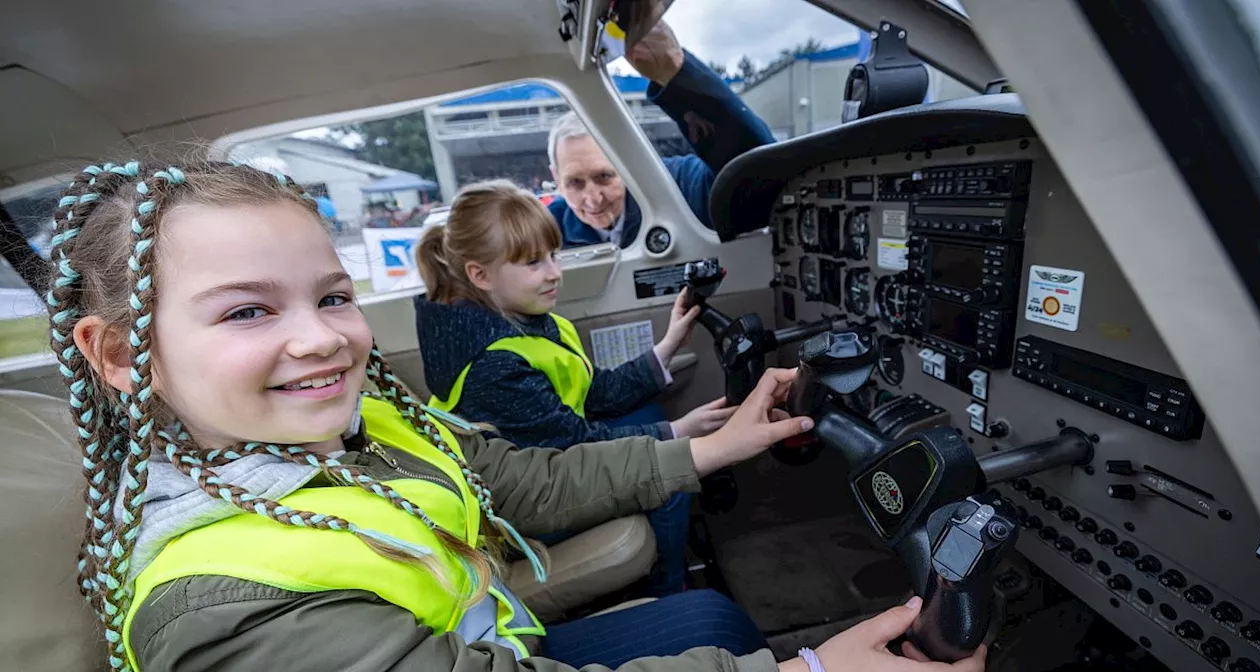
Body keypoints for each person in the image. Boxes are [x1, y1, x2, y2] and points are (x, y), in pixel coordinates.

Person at [47, 158, 985, 672]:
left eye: (333, 298)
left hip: (494, 642)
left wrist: (709, 448)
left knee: (709, 618)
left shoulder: (354, 427)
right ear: (127, 356)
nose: (323, 340)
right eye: (249, 310)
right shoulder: (228, 613)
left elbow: (520, 478)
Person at [414, 179, 733, 595]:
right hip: (519, 513)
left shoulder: (523, 319)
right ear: (480, 275)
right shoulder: (491, 366)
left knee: (652, 419)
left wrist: (666, 348)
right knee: (668, 478)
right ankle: (670, 588)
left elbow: (591, 391)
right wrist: (681, 432)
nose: (554, 273)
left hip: (549, 464)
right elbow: (571, 446)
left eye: (553, 255)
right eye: (533, 263)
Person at [548, 20, 775, 248]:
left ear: (629, 163)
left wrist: (676, 73)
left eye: (604, 177)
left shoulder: (678, 186)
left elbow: (755, 175)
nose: (593, 199)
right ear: (556, 178)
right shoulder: (546, 230)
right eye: (574, 183)